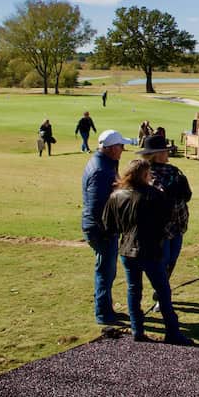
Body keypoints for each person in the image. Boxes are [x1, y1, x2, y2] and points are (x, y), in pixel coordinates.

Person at [102, 158, 191, 345]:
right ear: (144, 175)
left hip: (127, 249)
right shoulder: (153, 195)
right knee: (163, 291)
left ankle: (137, 329)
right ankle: (173, 332)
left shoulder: (116, 195)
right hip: (150, 250)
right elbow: (167, 218)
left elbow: (108, 224)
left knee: (134, 290)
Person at [81, 129, 135, 325]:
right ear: (111, 148)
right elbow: (97, 207)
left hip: (100, 227)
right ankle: (103, 314)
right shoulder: (101, 171)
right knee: (105, 271)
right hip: (100, 230)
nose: (123, 149)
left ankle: (106, 308)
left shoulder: (105, 164)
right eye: (121, 146)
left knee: (107, 270)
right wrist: (108, 228)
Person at [139, 134, 192, 277]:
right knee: (163, 260)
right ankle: (161, 292)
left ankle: (162, 289)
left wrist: (183, 189)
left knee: (172, 259)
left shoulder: (174, 171)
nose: (167, 153)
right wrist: (169, 191)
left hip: (178, 224)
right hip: (160, 229)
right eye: (164, 151)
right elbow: (157, 198)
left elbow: (186, 196)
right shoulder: (145, 174)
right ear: (156, 154)